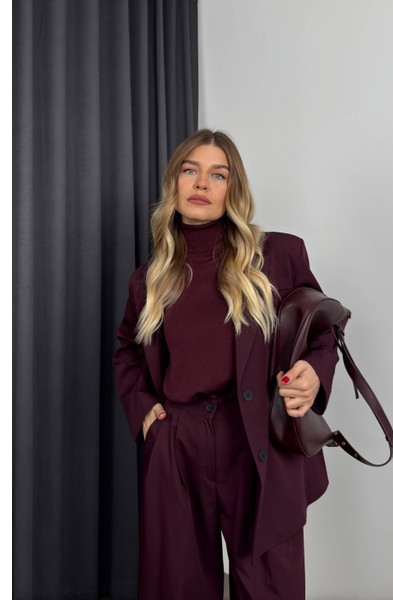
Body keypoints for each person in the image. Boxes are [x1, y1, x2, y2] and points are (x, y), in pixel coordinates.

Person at [113, 129, 339, 600]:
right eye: (190, 170)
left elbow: (321, 331)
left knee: (268, 585)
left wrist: (314, 373)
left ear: (233, 190)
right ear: (174, 181)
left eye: (218, 175)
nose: (202, 183)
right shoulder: (149, 278)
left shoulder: (278, 255)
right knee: (177, 585)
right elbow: (128, 349)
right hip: (178, 440)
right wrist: (146, 412)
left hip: (257, 438)